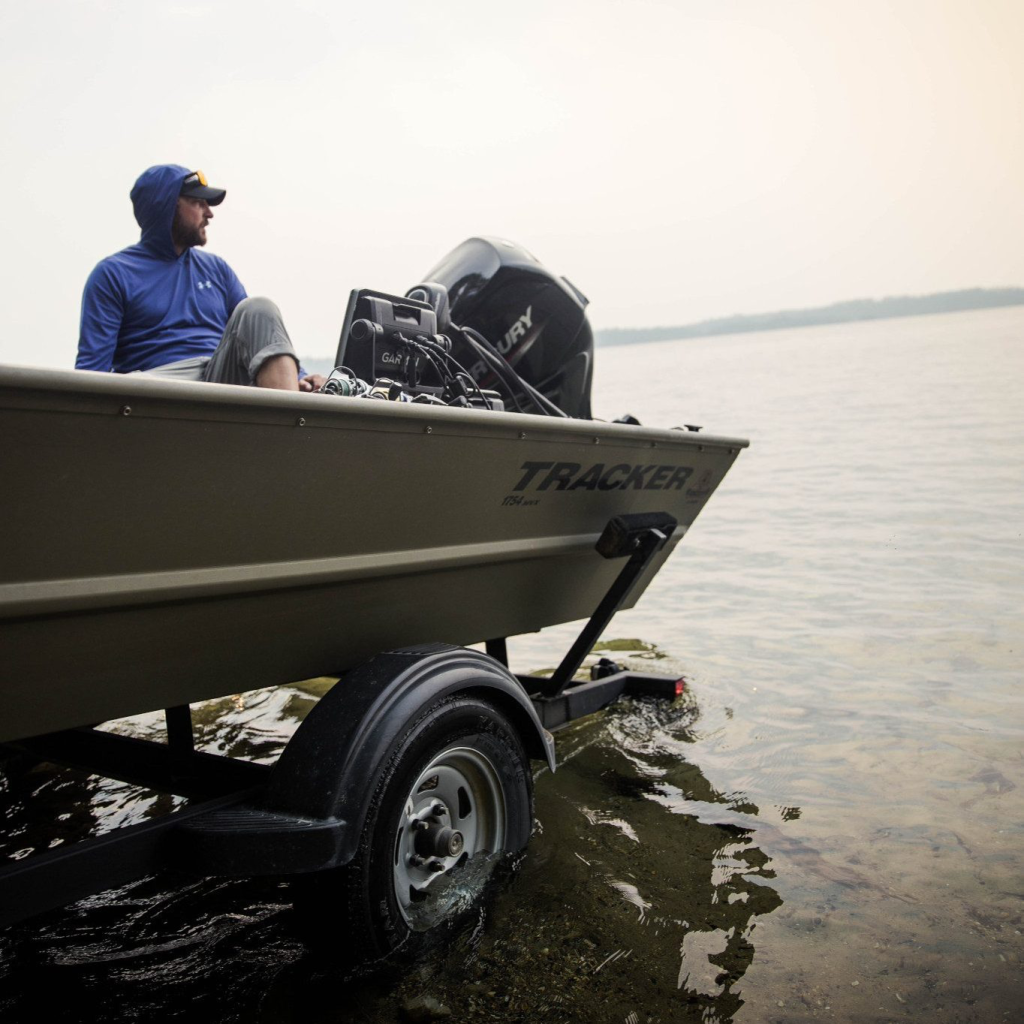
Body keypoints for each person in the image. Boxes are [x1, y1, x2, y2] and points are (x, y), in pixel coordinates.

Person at [76, 164, 325, 391]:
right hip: (157, 386)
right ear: (167, 206)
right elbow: (91, 370)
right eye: (198, 203)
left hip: (217, 378)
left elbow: (260, 332)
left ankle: (289, 433)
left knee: (259, 307)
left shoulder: (216, 269)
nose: (209, 213)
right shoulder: (112, 274)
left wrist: (301, 375)